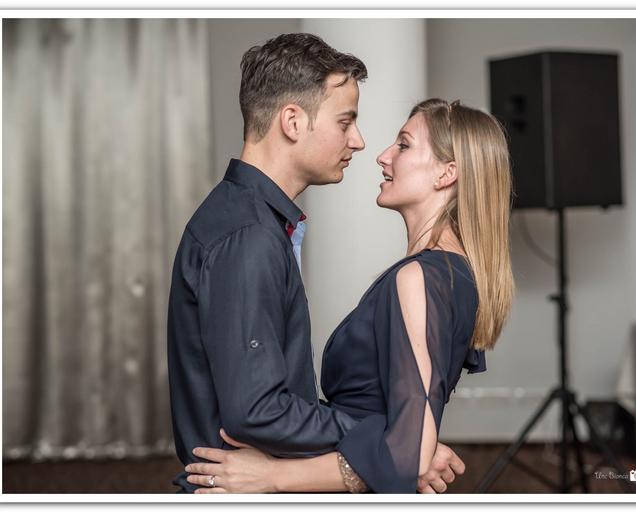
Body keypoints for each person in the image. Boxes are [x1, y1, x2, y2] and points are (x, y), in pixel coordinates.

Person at [167, 33, 465, 494]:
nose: (359, 141)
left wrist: (400, 445)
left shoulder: (251, 221)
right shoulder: (249, 236)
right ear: (292, 121)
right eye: (346, 121)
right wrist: (394, 442)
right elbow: (257, 410)